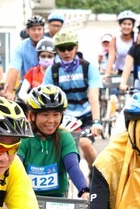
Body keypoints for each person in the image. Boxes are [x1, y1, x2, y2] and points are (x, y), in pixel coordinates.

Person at [44, 30, 103, 166]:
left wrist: (96, 121)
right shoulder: (52, 71)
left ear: (76, 47)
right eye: (62, 49)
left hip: (86, 115)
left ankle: (96, 174)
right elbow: (48, 99)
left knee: (85, 144)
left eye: (70, 48)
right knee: (61, 149)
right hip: (64, 117)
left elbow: (93, 96)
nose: (66, 52)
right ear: (56, 50)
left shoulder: (88, 68)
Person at [2, 15, 46, 99]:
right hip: (27, 87)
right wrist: (9, 93)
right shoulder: (21, 47)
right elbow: (13, 70)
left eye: (39, 29)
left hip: (49, 85)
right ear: (28, 31)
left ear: (43, 30)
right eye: (33, 29)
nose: (36, 32)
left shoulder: (51, 43)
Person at [104, 10, 137, 78]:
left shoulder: (137, 38)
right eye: (124, 24)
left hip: (135, 72)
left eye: (129, 24)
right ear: (120, 25)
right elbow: (111, 57)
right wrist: (107, 74)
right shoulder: (115, 39)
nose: (126, 27)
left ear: (133, 25)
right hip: (121, 71)